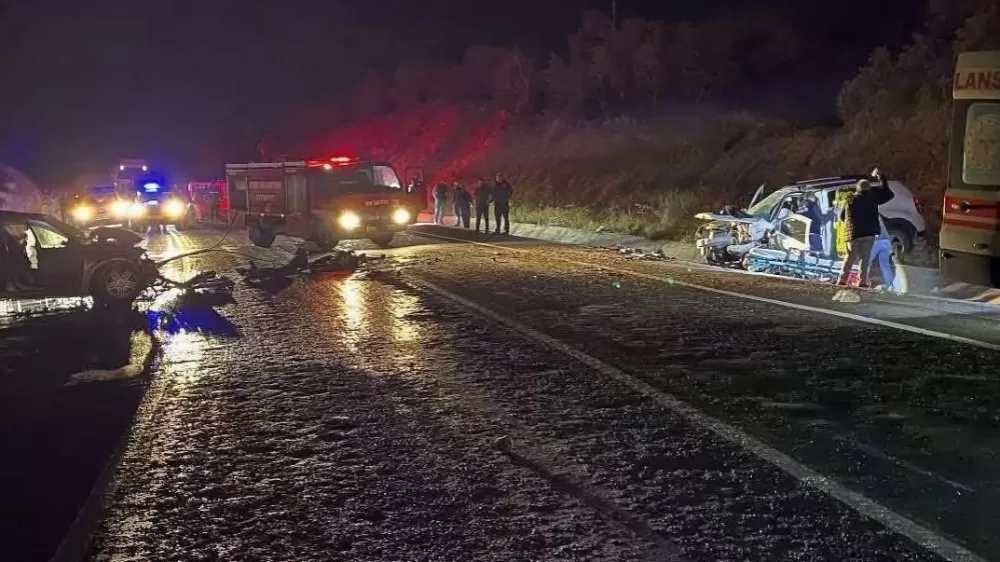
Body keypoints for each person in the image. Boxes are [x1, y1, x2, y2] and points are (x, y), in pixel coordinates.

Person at [835, 178, 894, 287]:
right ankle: (862, 282)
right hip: (868, 234)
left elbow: (842, 216)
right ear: (869, 189)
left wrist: (850, 225)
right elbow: (889, 194)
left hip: (853, 234)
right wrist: (882, 179)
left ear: (858, 188)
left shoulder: (850, 199)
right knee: (865, 258)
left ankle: (842, 281)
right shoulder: (872, 199)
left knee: (850, 258)